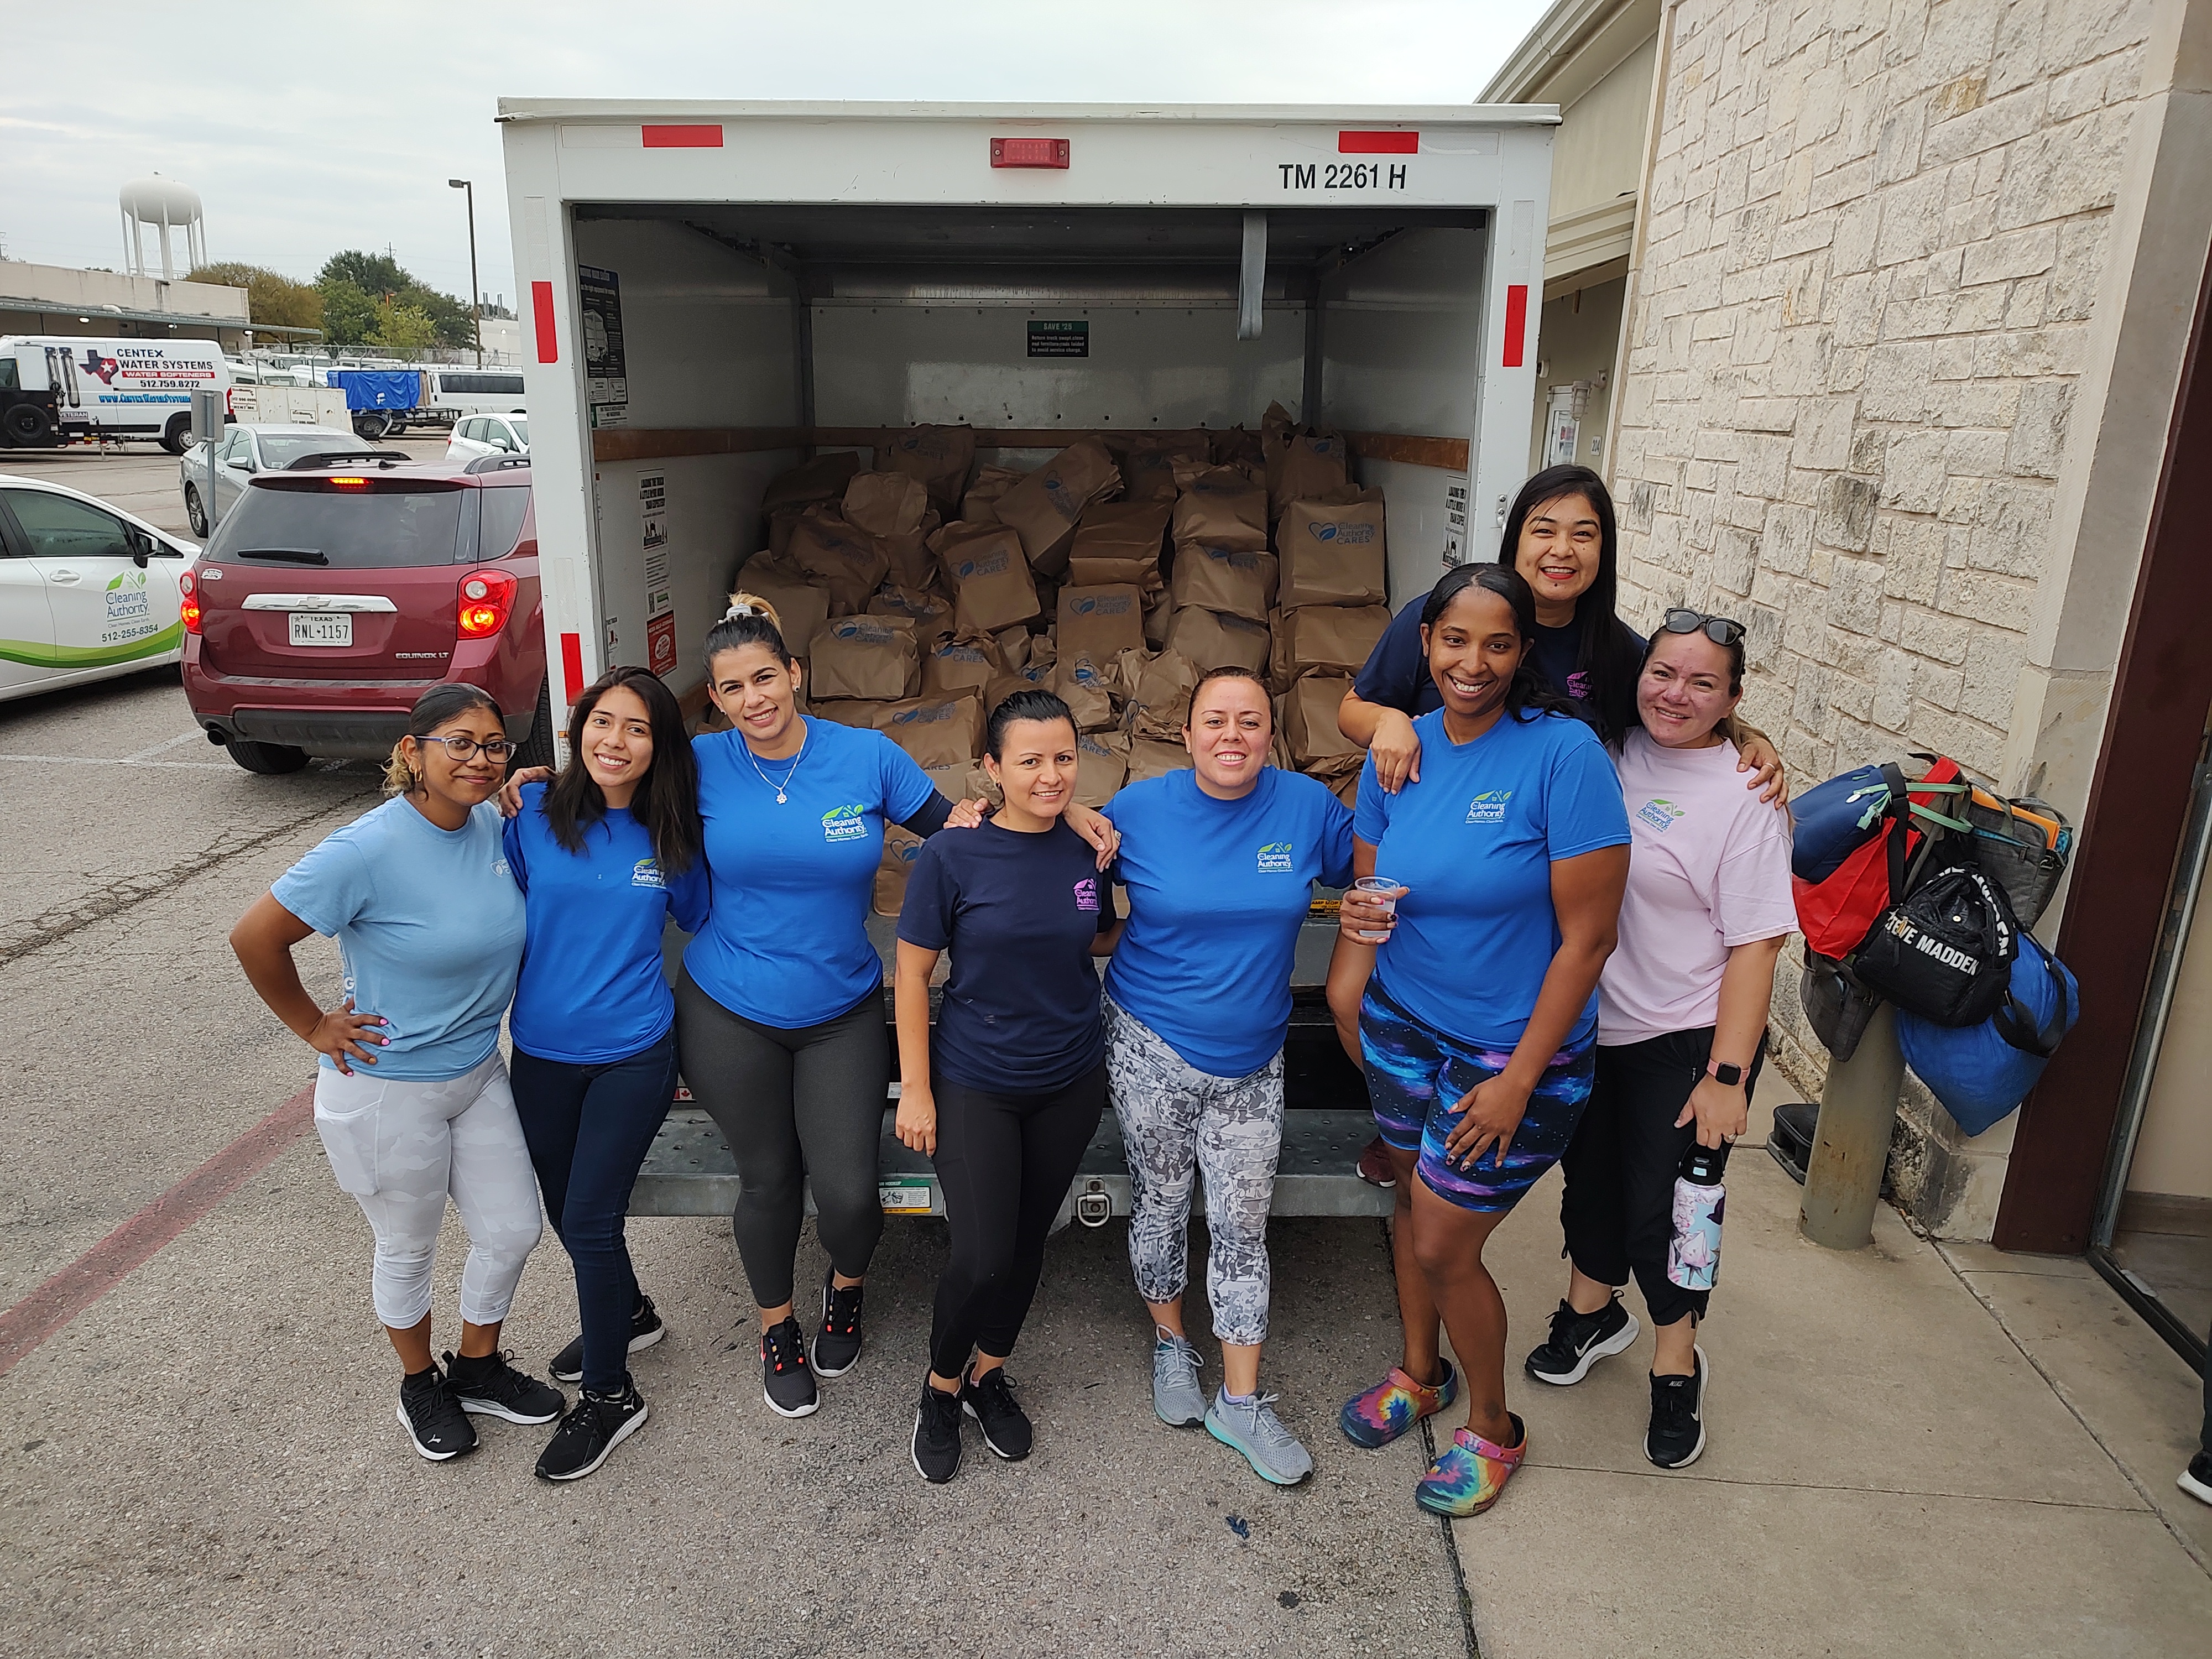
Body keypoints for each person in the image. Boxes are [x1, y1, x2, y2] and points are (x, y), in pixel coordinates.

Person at [670, 598, 1117, 1422]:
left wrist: (1070, 808)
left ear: (795, 674)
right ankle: (777, 1327)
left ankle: (848, 1287)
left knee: (847, 1194)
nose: (754, 699)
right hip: (728, 1003)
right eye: (733, 688)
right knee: (767, 1179)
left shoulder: (867, 757)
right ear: (717, 698)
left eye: (766, 676)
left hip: (841, 1002)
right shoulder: (698, 764)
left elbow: (972, 826)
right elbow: (606, 786)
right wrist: (522, 794)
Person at [1335, 467, 1781, 1188]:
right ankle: (1408, 1131)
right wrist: (1389, 722)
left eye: (1585, 533)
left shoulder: (1613, 650)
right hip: (1434, 854)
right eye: (1544, 529)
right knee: (1357, 1005)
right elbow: (1354, 708)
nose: (1562, 549)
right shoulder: (1441, 610)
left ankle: (1473, 1128)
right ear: (1515, 540)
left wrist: (1748, 739)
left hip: (1538, 878)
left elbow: (1678, 704)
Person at [1326, 564, 1630, 1519]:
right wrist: (1351, 978)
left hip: (1511, 1055)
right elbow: (1370, 893)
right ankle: (1420, 1372)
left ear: (1522, 654)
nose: (1474, 661)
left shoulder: (1564, 756)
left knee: (1447, 1240)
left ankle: (1494, 1428)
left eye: (1499, 643)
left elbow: (1590, 941)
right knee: (1412, 1216)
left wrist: (1518, 1081)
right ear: (1426, 644)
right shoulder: (1399, 748)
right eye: (1455, 640)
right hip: (1405, 1026)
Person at [229, 684, 562, 1463]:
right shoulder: (366, 849)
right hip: (386, 1087)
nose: (480, 759)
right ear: (411, 752)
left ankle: (478, 1365)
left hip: (477, 1071)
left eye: (493, 744)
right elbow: (255, 937)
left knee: (513, 1229)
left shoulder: (492, 823)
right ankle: (420, 1383)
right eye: (460, 743)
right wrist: (314, 1025)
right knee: (408, 1248)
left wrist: (533, 780)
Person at [1521, 613, 1794, 1470]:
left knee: (1672, 1214)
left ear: (1735, 700)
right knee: (1590, 1183)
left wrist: (1729, 1074)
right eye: (1664, 674)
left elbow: (1758, 946)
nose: (1677, 694)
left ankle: (1677, 1361)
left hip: (1681, 1037)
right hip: (1588, 1023)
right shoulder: (1604, 750)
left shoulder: (1744, 796)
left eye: (1704, 683)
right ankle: (1593, 1313)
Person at [1097, 666, 1354, 1485]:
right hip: (1150, 1046)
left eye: (1249, 721)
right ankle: (1173, 1346)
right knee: (1163, 1205)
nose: (1232, 737)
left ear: (1270, 735)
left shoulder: (1308, 808)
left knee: (1245, 1226)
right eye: (1216, 720)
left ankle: (1240, 1404)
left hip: (1254, 1059)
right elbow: (1055, 857)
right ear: (1187, 733)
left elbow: (1386, 857)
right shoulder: (1137, 810)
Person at [894, 690, 1117, 1484]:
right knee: (982, 1254)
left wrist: (1089, 818)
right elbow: (914, 975)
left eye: (1064, 758)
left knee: (1028, 1245)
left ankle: (991, 1373)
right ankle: (940, 1387)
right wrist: (914, 1090)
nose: (1050, 775)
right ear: (991, 769)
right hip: (976, 1082)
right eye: (1029, 760)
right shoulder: (953, 856)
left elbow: (1098, 934)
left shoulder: (1089, 850)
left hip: (1068, 1079)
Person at [503, 665, 709, 1481]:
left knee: (590, 1219)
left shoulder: (672, 839)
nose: (614, 743)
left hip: (635, 1053)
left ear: (658, 749)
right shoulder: (529, 818)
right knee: (563, 1210)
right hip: (543, 1055)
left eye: (637, 730)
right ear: (578, 727)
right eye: (603, 723)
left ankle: (613, 1393)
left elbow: (704, 919)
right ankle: (629, 1310)